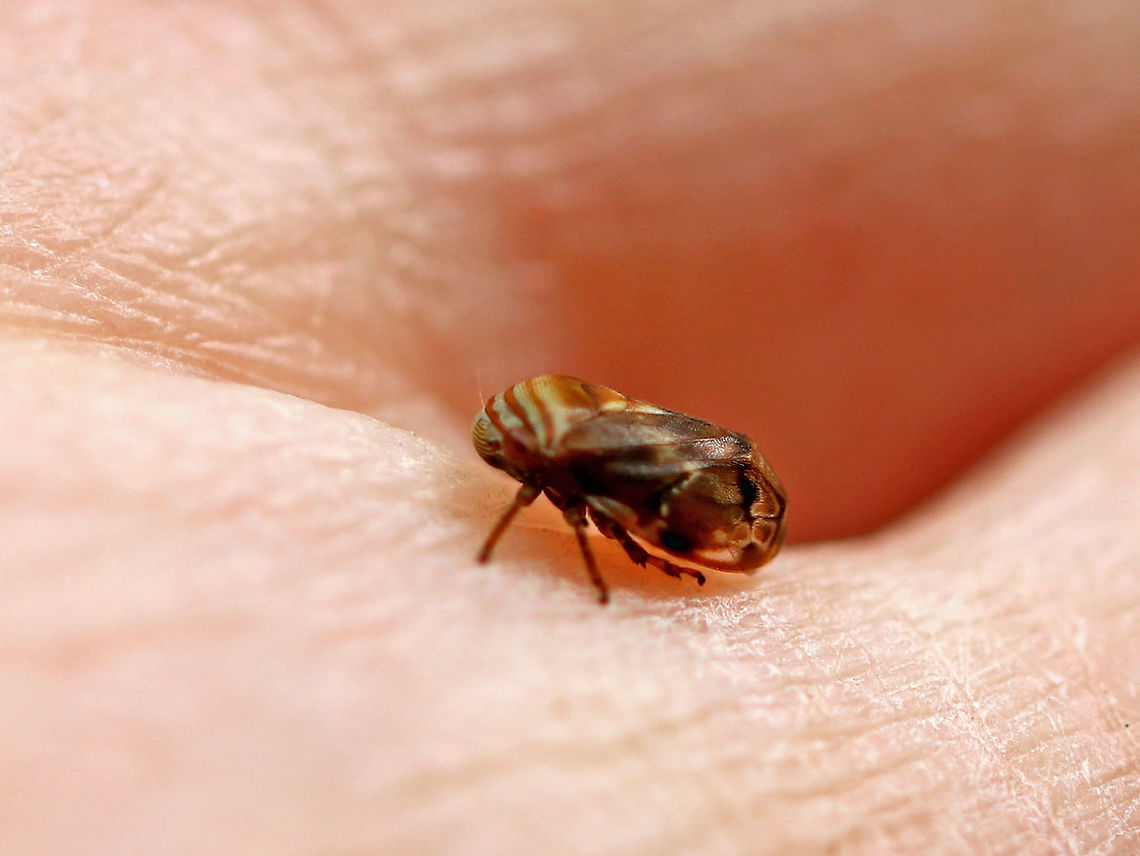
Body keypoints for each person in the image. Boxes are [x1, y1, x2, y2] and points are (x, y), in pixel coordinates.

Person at [2, 2, 1138, 852]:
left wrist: (578, 554)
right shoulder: (552, 448)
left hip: (671, 476)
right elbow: (560, 489)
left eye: (510, 457)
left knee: (683, 480)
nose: (501, 466)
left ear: (530, 451)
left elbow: (581, 498)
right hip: (664, 463)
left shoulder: (566, 459)